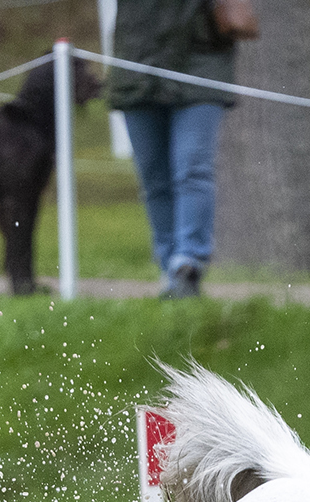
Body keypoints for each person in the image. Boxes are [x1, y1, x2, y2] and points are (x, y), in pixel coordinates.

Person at [112, 0, 238, 299]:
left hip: (199, 66)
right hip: (137, 69)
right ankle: (170, 269)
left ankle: (188, 262)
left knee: (193, 169)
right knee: (154, 179)